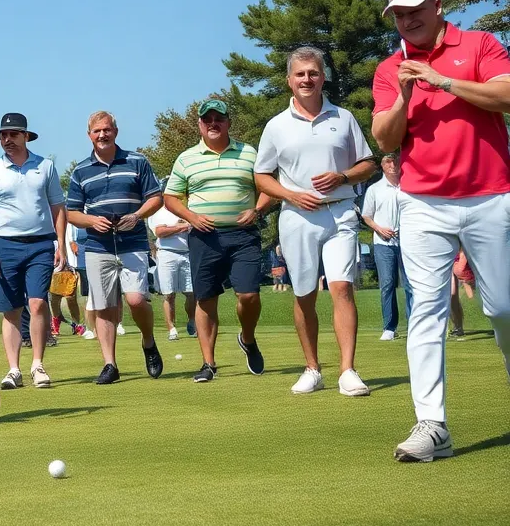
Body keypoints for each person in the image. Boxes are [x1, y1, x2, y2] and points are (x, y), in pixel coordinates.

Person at [372, 0, 510, 461]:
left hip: (491, 195)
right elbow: (386, 139)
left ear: (438, 6)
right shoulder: (391, 69)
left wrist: (443, 80)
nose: (408, 21)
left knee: (501, 309)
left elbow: (507, 96)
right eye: (399, 15)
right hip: (423, 202)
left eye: (415, 11)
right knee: (425, 311)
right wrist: (407, 96)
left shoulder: (479, 44)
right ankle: (433, 424)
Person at [254, 46, 378, 397]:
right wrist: (291, 195)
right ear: (289, 80)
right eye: (300, 74)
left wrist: (342, 177)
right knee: (304, 293)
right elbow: (262, 176)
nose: (307, 79)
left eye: (313, 73)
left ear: (323, 77)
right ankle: (312, 368)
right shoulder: (276, 126)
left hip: (340, 211)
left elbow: (368, 163)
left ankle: (347, 370)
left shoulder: (344, 117)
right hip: (297, 216)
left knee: (341, 287)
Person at [163, 100, 272, 384]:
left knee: (249, 296)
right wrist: (191, 216)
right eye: (207, 119)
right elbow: (170, 197)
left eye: (218, 119)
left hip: (243, 234)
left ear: (228, 123)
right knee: (205, 299)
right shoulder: (187, 158)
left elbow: (269, 188)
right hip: (204, 237)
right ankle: (208, 363)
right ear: (199, 124)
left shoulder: (248, 152)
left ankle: (247, 338)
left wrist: (257, 210)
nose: (213, 123)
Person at [66, 111, 164, 385]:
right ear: (89, 135)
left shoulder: (136, 161)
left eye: (107, 130)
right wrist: (91, 220)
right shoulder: (81, 171)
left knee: (135, 299)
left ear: (115, 132)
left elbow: (155, 198)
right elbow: (71, 212)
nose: (102, 135)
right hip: (98, 246)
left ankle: (148, 341)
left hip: (132, 242)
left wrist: (137, 216)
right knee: (104, 305)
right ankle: (110, 364)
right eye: (97, 131)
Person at [0, 112, 67, 390]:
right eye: (3, 135)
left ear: (26, 136)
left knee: (38, 303)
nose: (7, 140)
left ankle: (37, 364)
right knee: (11, 310)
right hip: (6, 246)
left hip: (41, 244)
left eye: (13, 134)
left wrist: (61, 244)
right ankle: (14, 369)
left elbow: (58, 207)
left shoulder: (46, 166)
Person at [362, 153, 413, 341]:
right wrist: (379, 229)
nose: (392, 165)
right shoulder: (375, 189)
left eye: (395, 161)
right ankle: (389, 327)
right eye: (388, 162)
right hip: (383, 243)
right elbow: (366, 215)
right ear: (382, 166)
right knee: (387, 284)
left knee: (410, 284)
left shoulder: (407, 187)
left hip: (407, 241)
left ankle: (414, 325)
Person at [147, 198, 196, 341]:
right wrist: (180, 227)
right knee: (169, 294)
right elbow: (160, 231)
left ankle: (192, 322)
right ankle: (172, 329)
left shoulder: (186, 211)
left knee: (191, 292)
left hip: (187, 254)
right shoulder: (158, 213)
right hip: (167, 254)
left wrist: (183, 225)